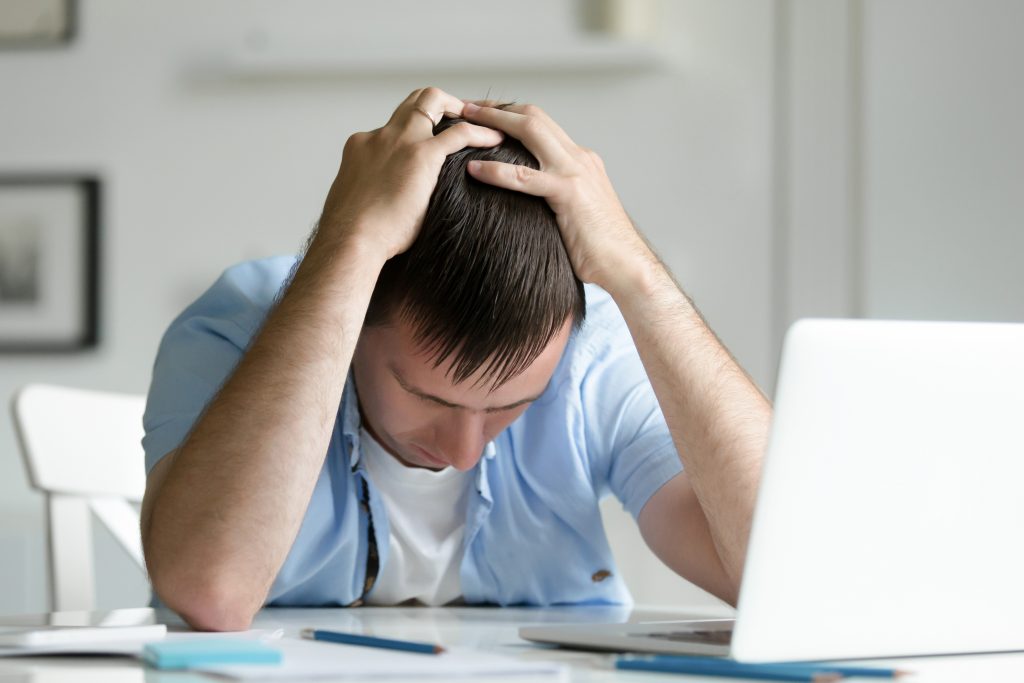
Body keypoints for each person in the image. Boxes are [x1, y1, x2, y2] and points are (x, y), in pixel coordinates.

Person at [139, 87, 771, 632]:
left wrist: (638, 276)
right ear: (358, 323)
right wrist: (350, 246)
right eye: (430, 398)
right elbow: (210, 594)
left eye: (513, 404)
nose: (464, 451)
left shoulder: (594, 347)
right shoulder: (241, 324)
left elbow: (785, 572)